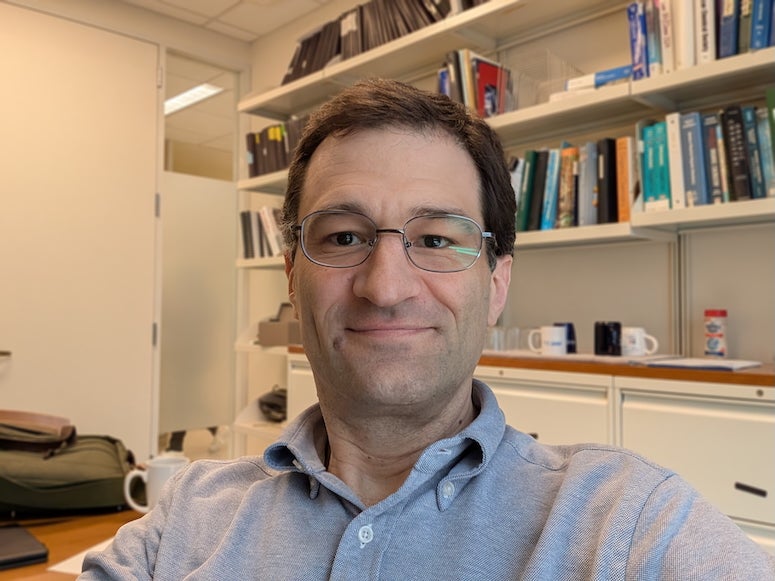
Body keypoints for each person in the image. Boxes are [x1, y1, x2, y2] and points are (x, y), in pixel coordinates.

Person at [80, 79, 775, 579]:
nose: (385, 286)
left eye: (437, 239)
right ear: (291, 274)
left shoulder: (626, 522)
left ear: (495, 282)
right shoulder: (184, 521)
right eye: (344, 234)